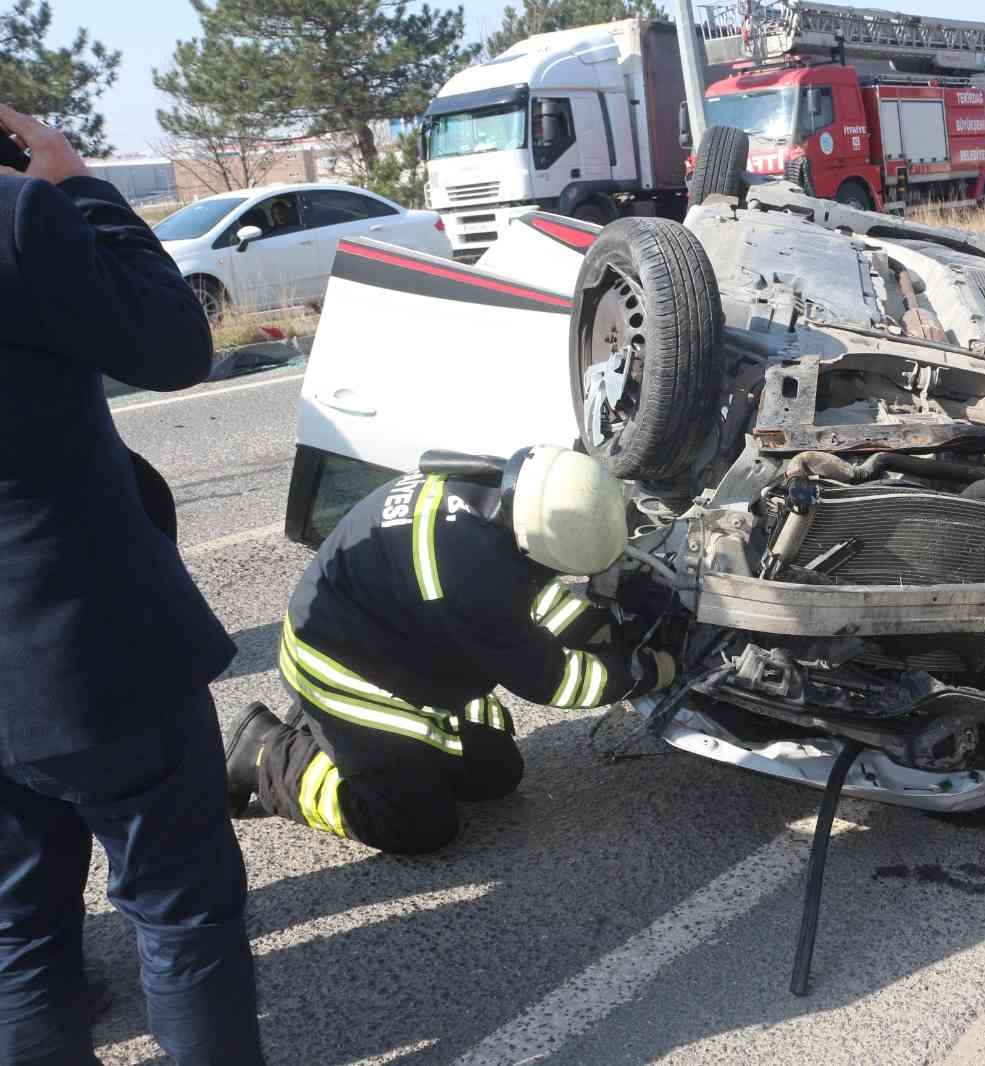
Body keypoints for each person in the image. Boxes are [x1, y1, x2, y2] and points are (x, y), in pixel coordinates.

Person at [0, 104, 264, 1064]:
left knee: (20, 922)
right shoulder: (21, 218)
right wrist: (81, 190)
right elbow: (173, 346)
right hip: (87, 647)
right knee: (178, 904)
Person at [224, 446, 679, 855]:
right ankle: (265, 752)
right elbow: (555, 681)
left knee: (494, 777)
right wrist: (640, 670)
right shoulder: (470, 579)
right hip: (342, 671)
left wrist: (598, 629)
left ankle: (328, 730)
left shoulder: (512, 494)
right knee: (416, 826)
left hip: (394, 643)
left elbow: (531, 593)